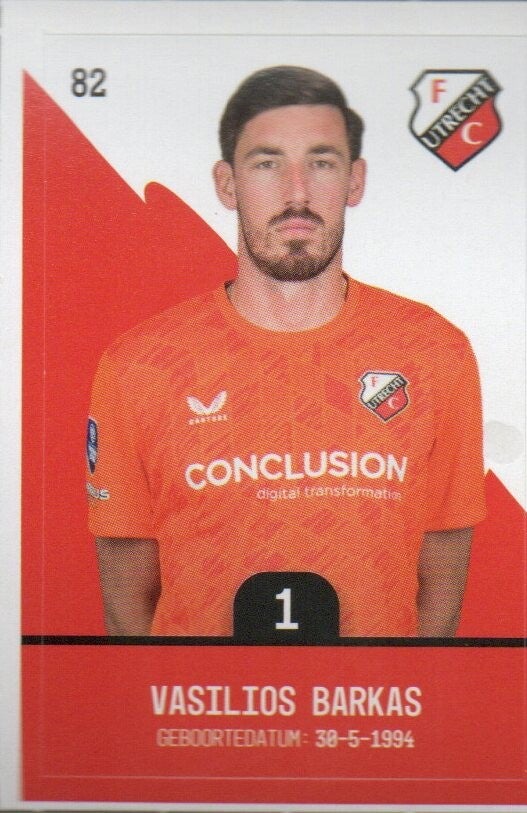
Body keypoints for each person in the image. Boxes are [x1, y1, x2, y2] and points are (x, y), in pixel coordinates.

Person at [88, 65, 486, 638]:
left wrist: (405, 687)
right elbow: (127, 604)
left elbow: (443, 571)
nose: (296, 193)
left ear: (354, 181)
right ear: (227, 185)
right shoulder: (139, 365)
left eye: (321, 163)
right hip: (204, 697)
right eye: (267, 163)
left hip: (370, 696)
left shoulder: (433, 350)